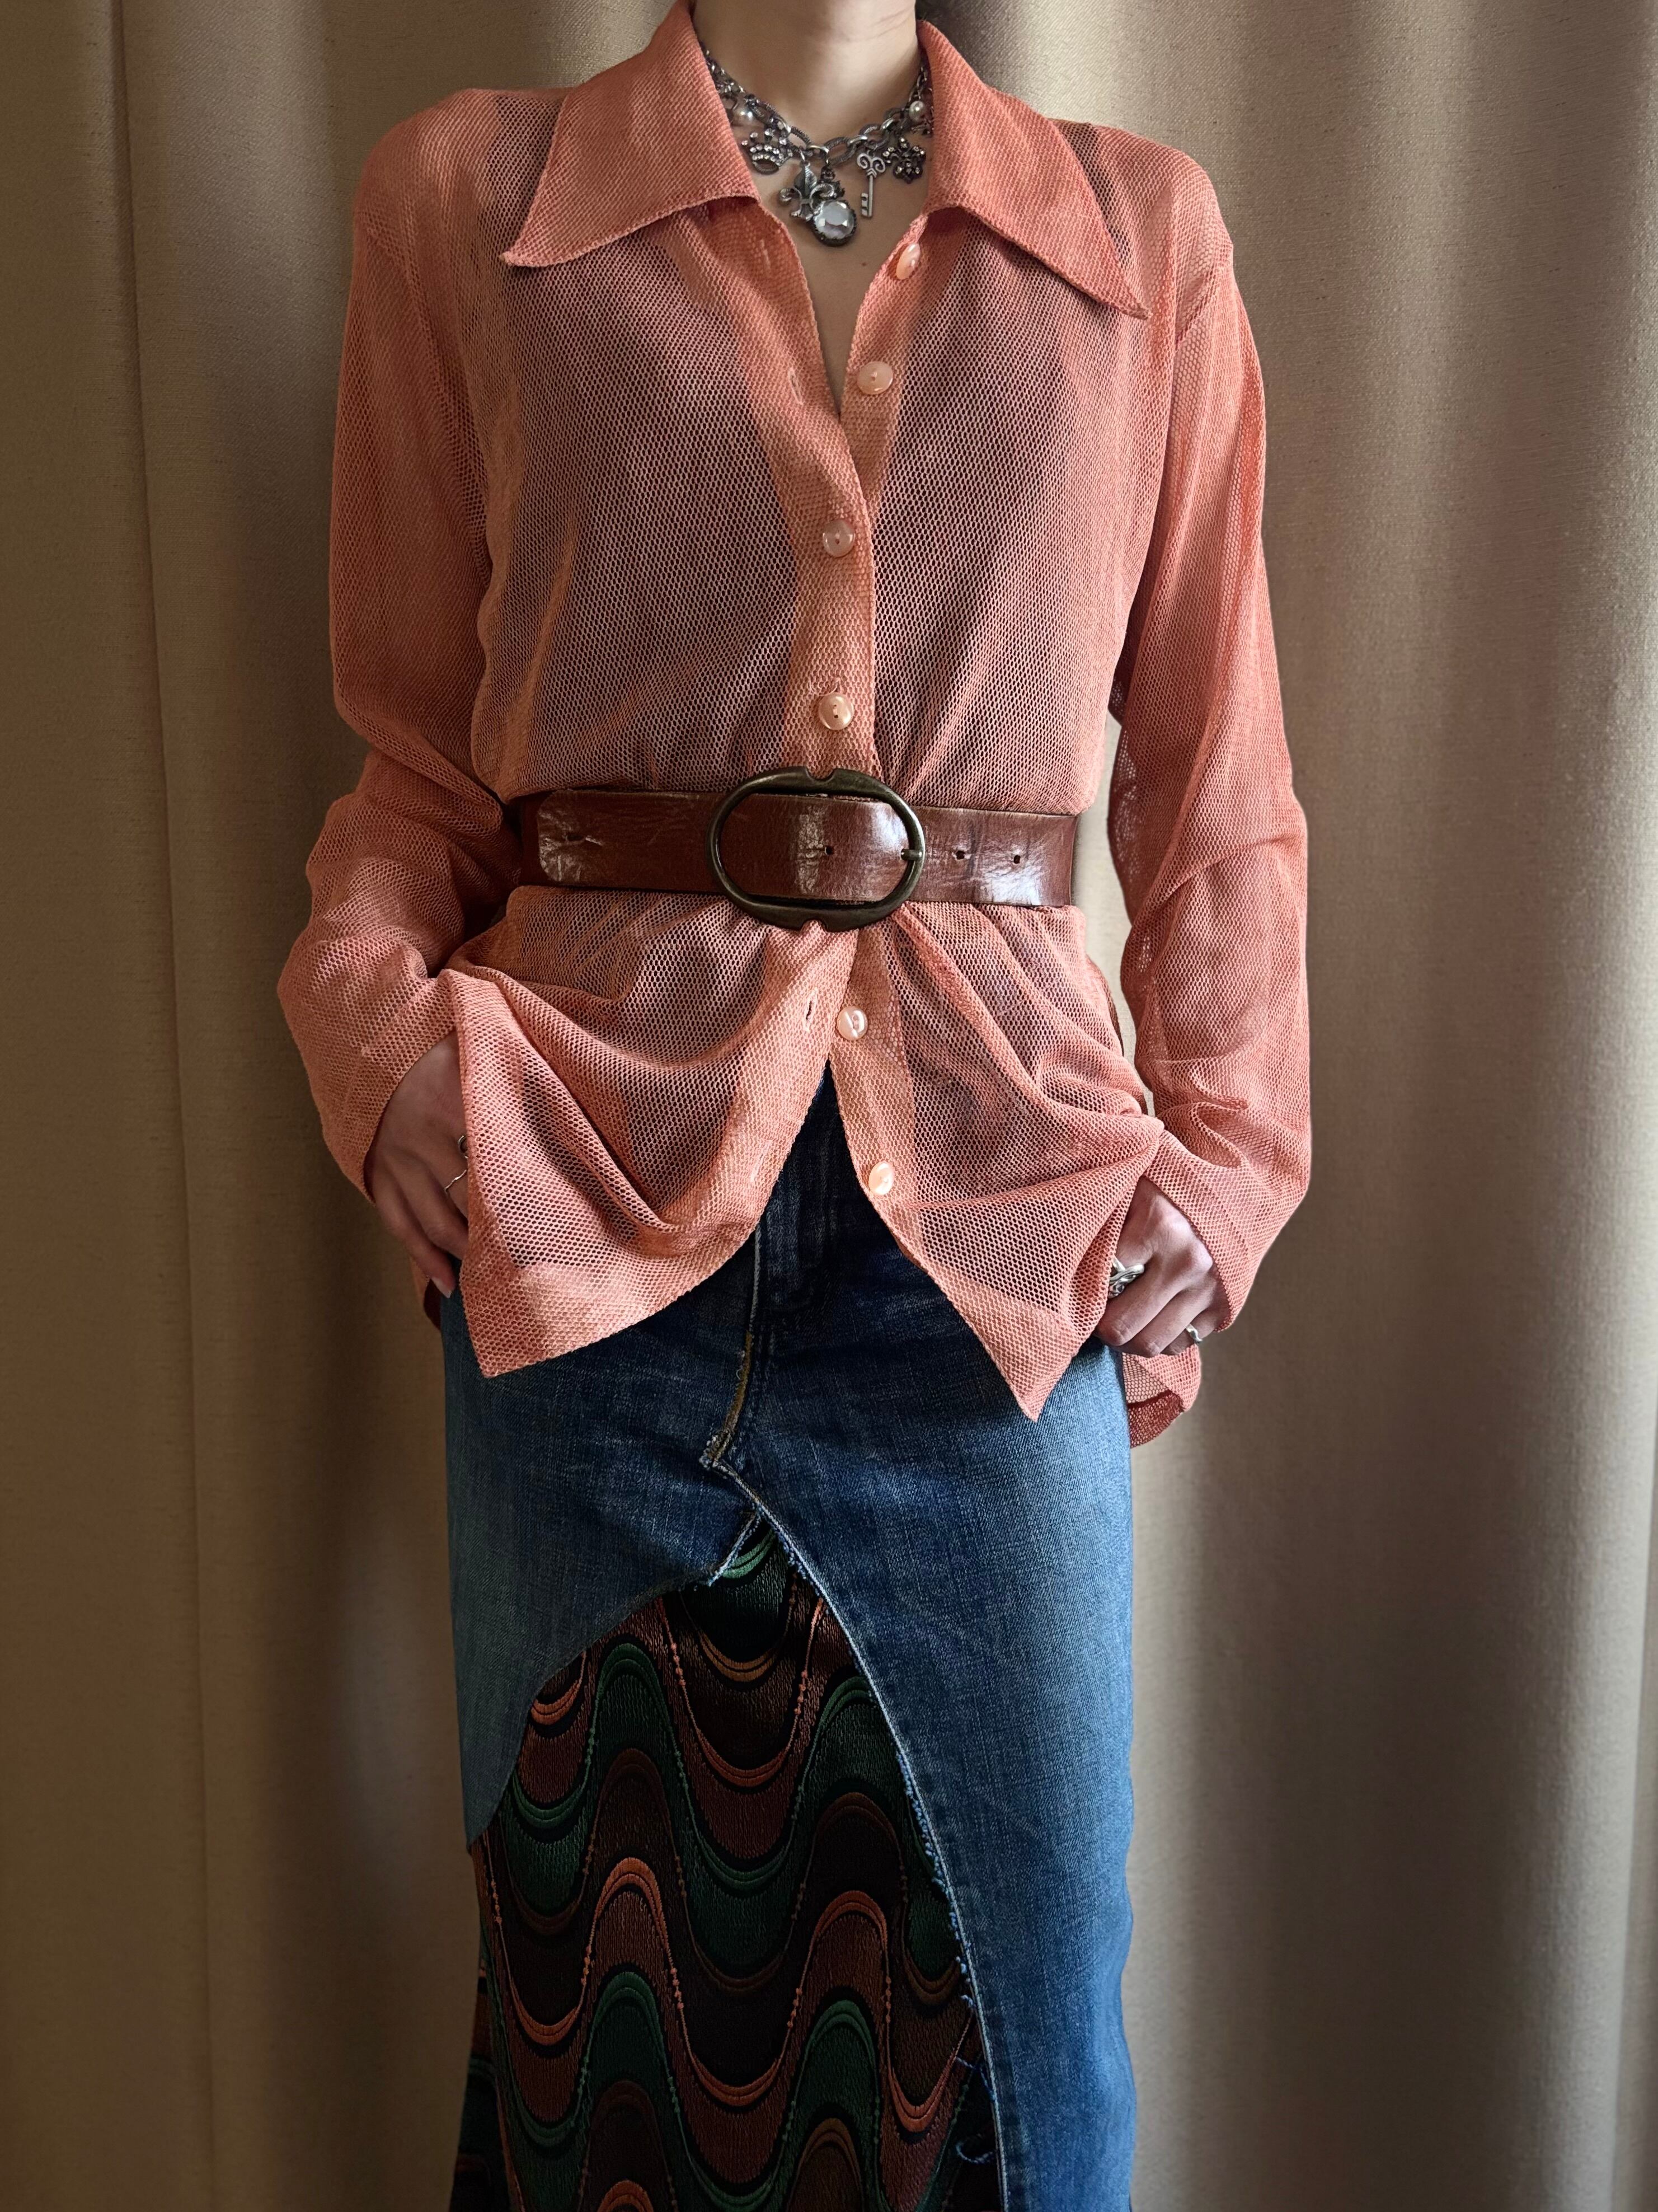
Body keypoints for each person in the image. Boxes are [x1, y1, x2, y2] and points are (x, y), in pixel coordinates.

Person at [278, 0, 1311, 2202]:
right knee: (600, 2033)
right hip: (578, 1214)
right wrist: (380, 1048)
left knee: (1029, 2045)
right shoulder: (470, 205)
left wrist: (1226, 1163)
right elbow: (415, 775)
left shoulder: (1140, 241)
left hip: (997, 1249)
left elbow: (1218, 788)